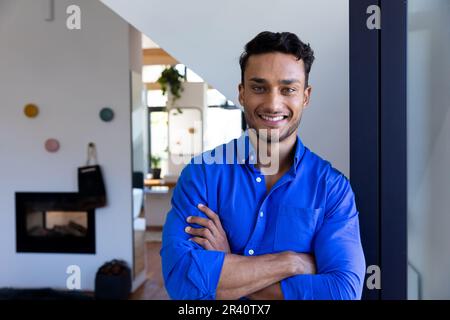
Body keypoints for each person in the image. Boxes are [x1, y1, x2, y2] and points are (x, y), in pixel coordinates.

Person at [160, 31, 366, 300]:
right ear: (242, 93)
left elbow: (342, 292)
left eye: (288, 89)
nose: (272, 103)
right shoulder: (202, 175)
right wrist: (291, 262)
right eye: (259, 87)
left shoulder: (332, 189)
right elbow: (182, 282)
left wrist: (229, 265)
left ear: (305, 96)